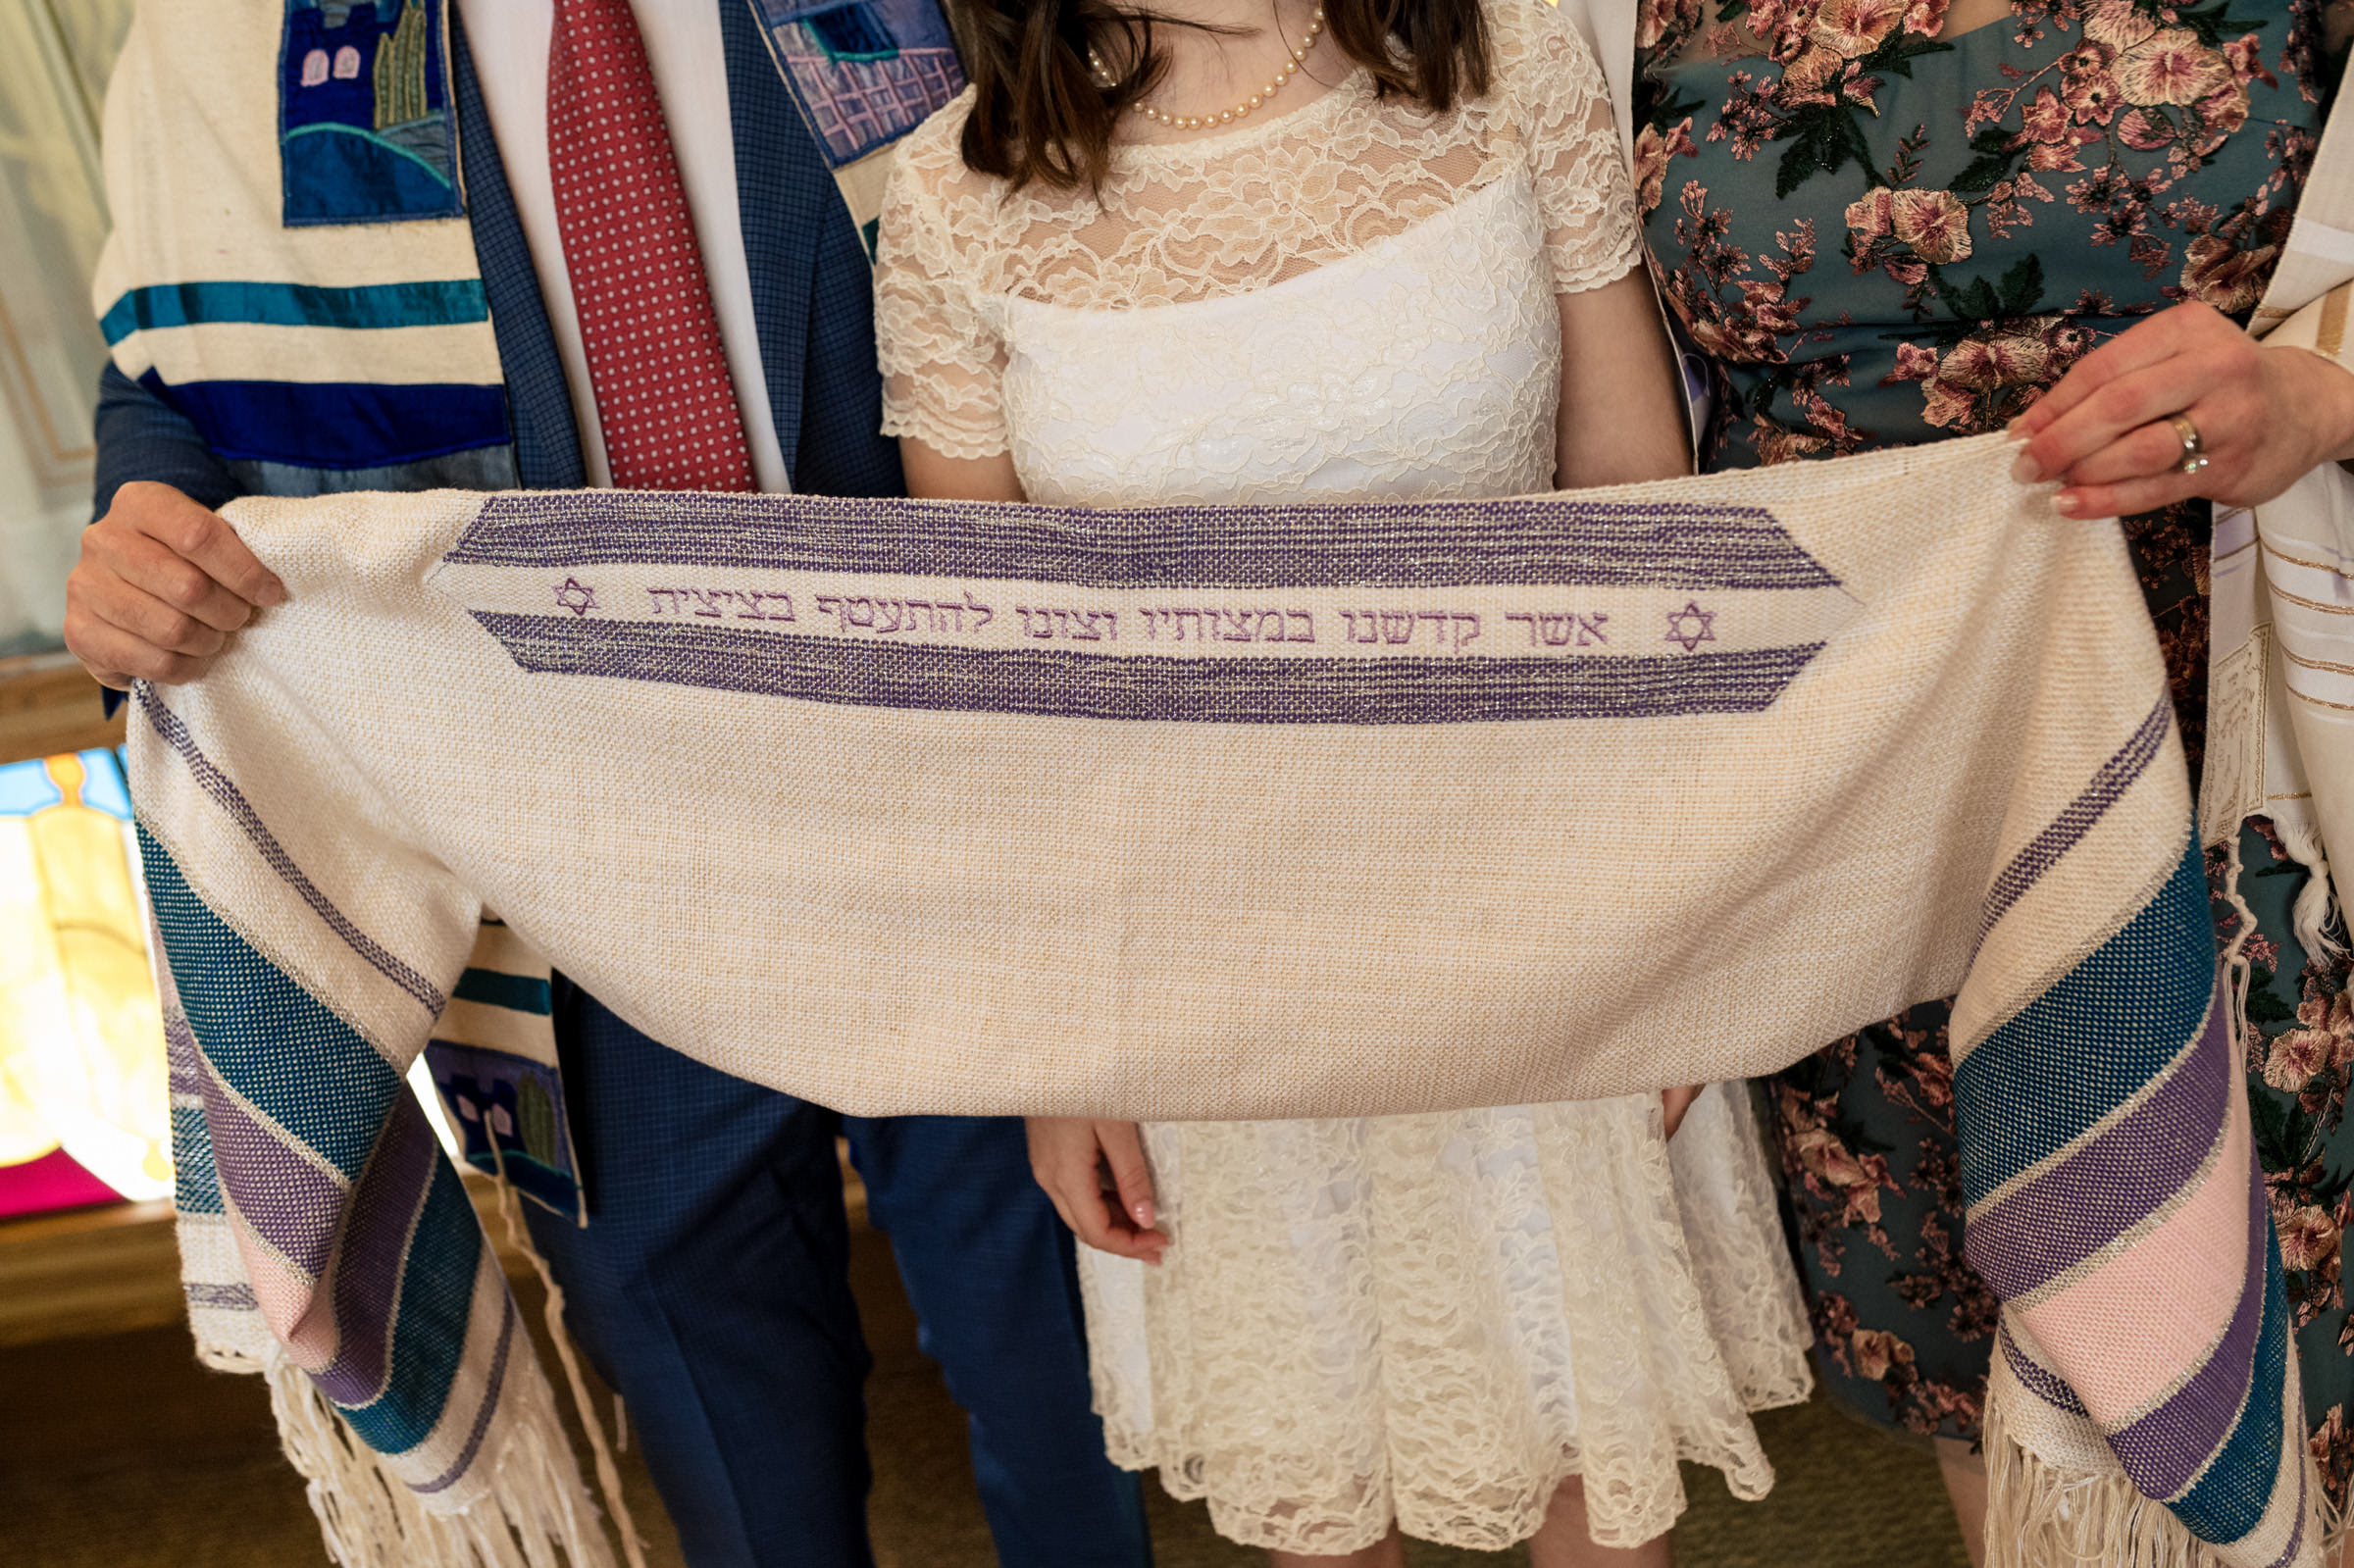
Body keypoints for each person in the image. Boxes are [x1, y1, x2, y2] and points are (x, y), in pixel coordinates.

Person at [64, 4, 1150, 1566]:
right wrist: (143, 519)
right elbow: (177, 369)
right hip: (577, 890)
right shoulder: (234, 41)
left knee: (1082, 1394)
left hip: (951, 818)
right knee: (749, 1493)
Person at [873, 1, 1817, 1563]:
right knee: (1321, 1502)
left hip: (1544, 888)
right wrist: (1061, 1046)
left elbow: (1642, 523)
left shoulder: (1511, 55)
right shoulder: (953, 193)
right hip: (1202, 952)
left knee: (1595, 1464)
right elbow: (1008, 685)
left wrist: (1678, 916)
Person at [1632, 0, 2354, 1557]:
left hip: (2252, 755)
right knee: (2013, 1406)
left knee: (2305, 1360)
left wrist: (2317, 390)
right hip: (1857, 793)